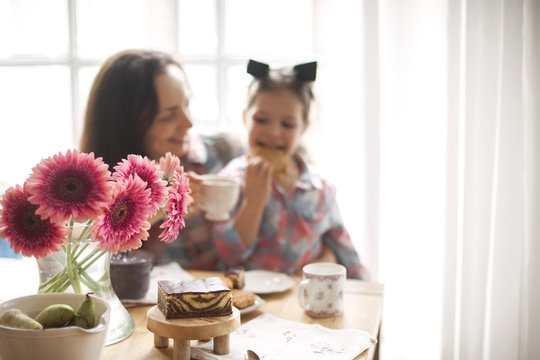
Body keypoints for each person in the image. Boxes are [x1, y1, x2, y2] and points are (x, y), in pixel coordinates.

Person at [80, 49, 241, 270]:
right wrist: (156, 209)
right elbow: (90, 268)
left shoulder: (222, 154)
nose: (188, 123)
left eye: (187, 104)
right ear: (126, 127)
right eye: (168, 115)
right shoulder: (92, 194)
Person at [213, 60, 368, 279]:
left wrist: (366, 291)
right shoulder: (231, 181)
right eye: (261, 120)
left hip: (300, 300)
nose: (273, 132)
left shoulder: (321, 189)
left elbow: (344, 250)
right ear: (245, 117)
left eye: (287, 124)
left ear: (304, 126)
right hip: (246, 302)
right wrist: (254, 203)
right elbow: (229, 255)